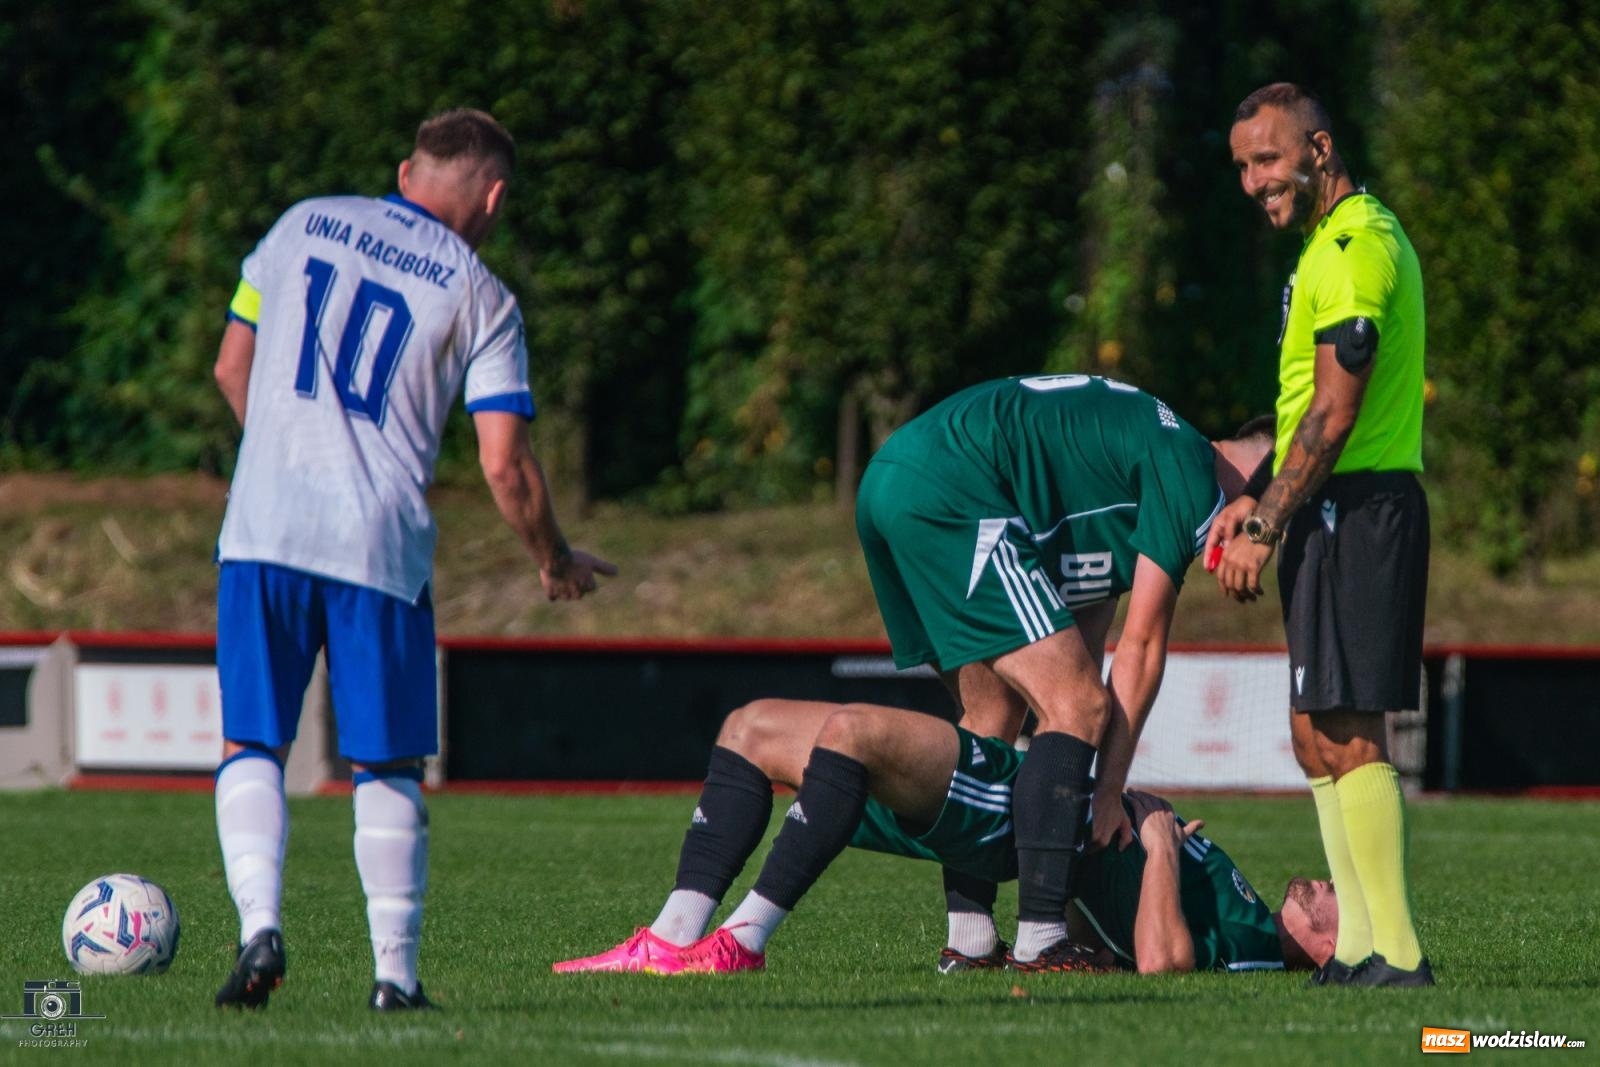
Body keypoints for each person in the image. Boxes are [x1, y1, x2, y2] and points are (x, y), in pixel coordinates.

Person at [209, 108, 614, 1011]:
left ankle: (259, 928)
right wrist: (553, 559)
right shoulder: (483, 295)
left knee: (252, 742)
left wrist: (287, 458)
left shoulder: (299, 223)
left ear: (405, 172)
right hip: (376, 544)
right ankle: (393, 976)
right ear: (496, 197)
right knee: (384, 763)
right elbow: (504, 463)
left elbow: (231, 370)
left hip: (262, 528)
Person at [859, 374, 1270, 971]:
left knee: (992, 718)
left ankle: (970, 940)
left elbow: (1090, 638)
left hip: (896, 474)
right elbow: (1143, 647)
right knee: (1077, 704)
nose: (1257, 548)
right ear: (1262, 475)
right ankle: (1042, 937)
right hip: (951, 484)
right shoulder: (1190, 469)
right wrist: (1106, 794)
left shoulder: (1118, 483)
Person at [552, 698, 1340, 975]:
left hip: (1015, 812)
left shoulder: (1251, 950)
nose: (1330, 884)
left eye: (1341, 901)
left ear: (1331, 949)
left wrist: (1161, 846)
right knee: (749, 726)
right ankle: (671, 935)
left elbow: (1164, 960)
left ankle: (741, 940)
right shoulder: (1253, 910)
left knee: (855, 730)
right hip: (1037, 799)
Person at [1207, 83, 1432, 987]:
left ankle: (1399, 954)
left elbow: (1336, 414)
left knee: (1348, 724)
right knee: (1312, 729)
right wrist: (1255, 489)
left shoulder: (1355, 246)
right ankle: (1351, 946)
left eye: (1268, 158)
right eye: (1243, 166)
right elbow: (1301, 406)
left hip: (1363, 505)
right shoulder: (1319, 250)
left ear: (1320, 149)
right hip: (1326, 506)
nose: (1256, 180)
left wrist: (1265, 520)